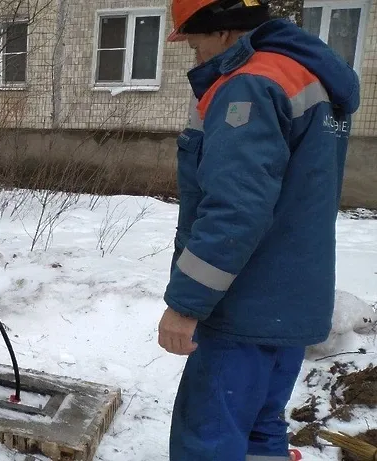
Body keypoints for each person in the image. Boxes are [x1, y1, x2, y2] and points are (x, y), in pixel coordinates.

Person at [157, 1, 360, 460]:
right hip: (291, 304)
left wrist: (185, 304)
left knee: (208, 437)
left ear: (224, 31)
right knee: (260, 430)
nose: (193, 54)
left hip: (244, 305)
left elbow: (235, 209)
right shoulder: (310, 75)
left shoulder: (249, 84)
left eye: (195, 41)